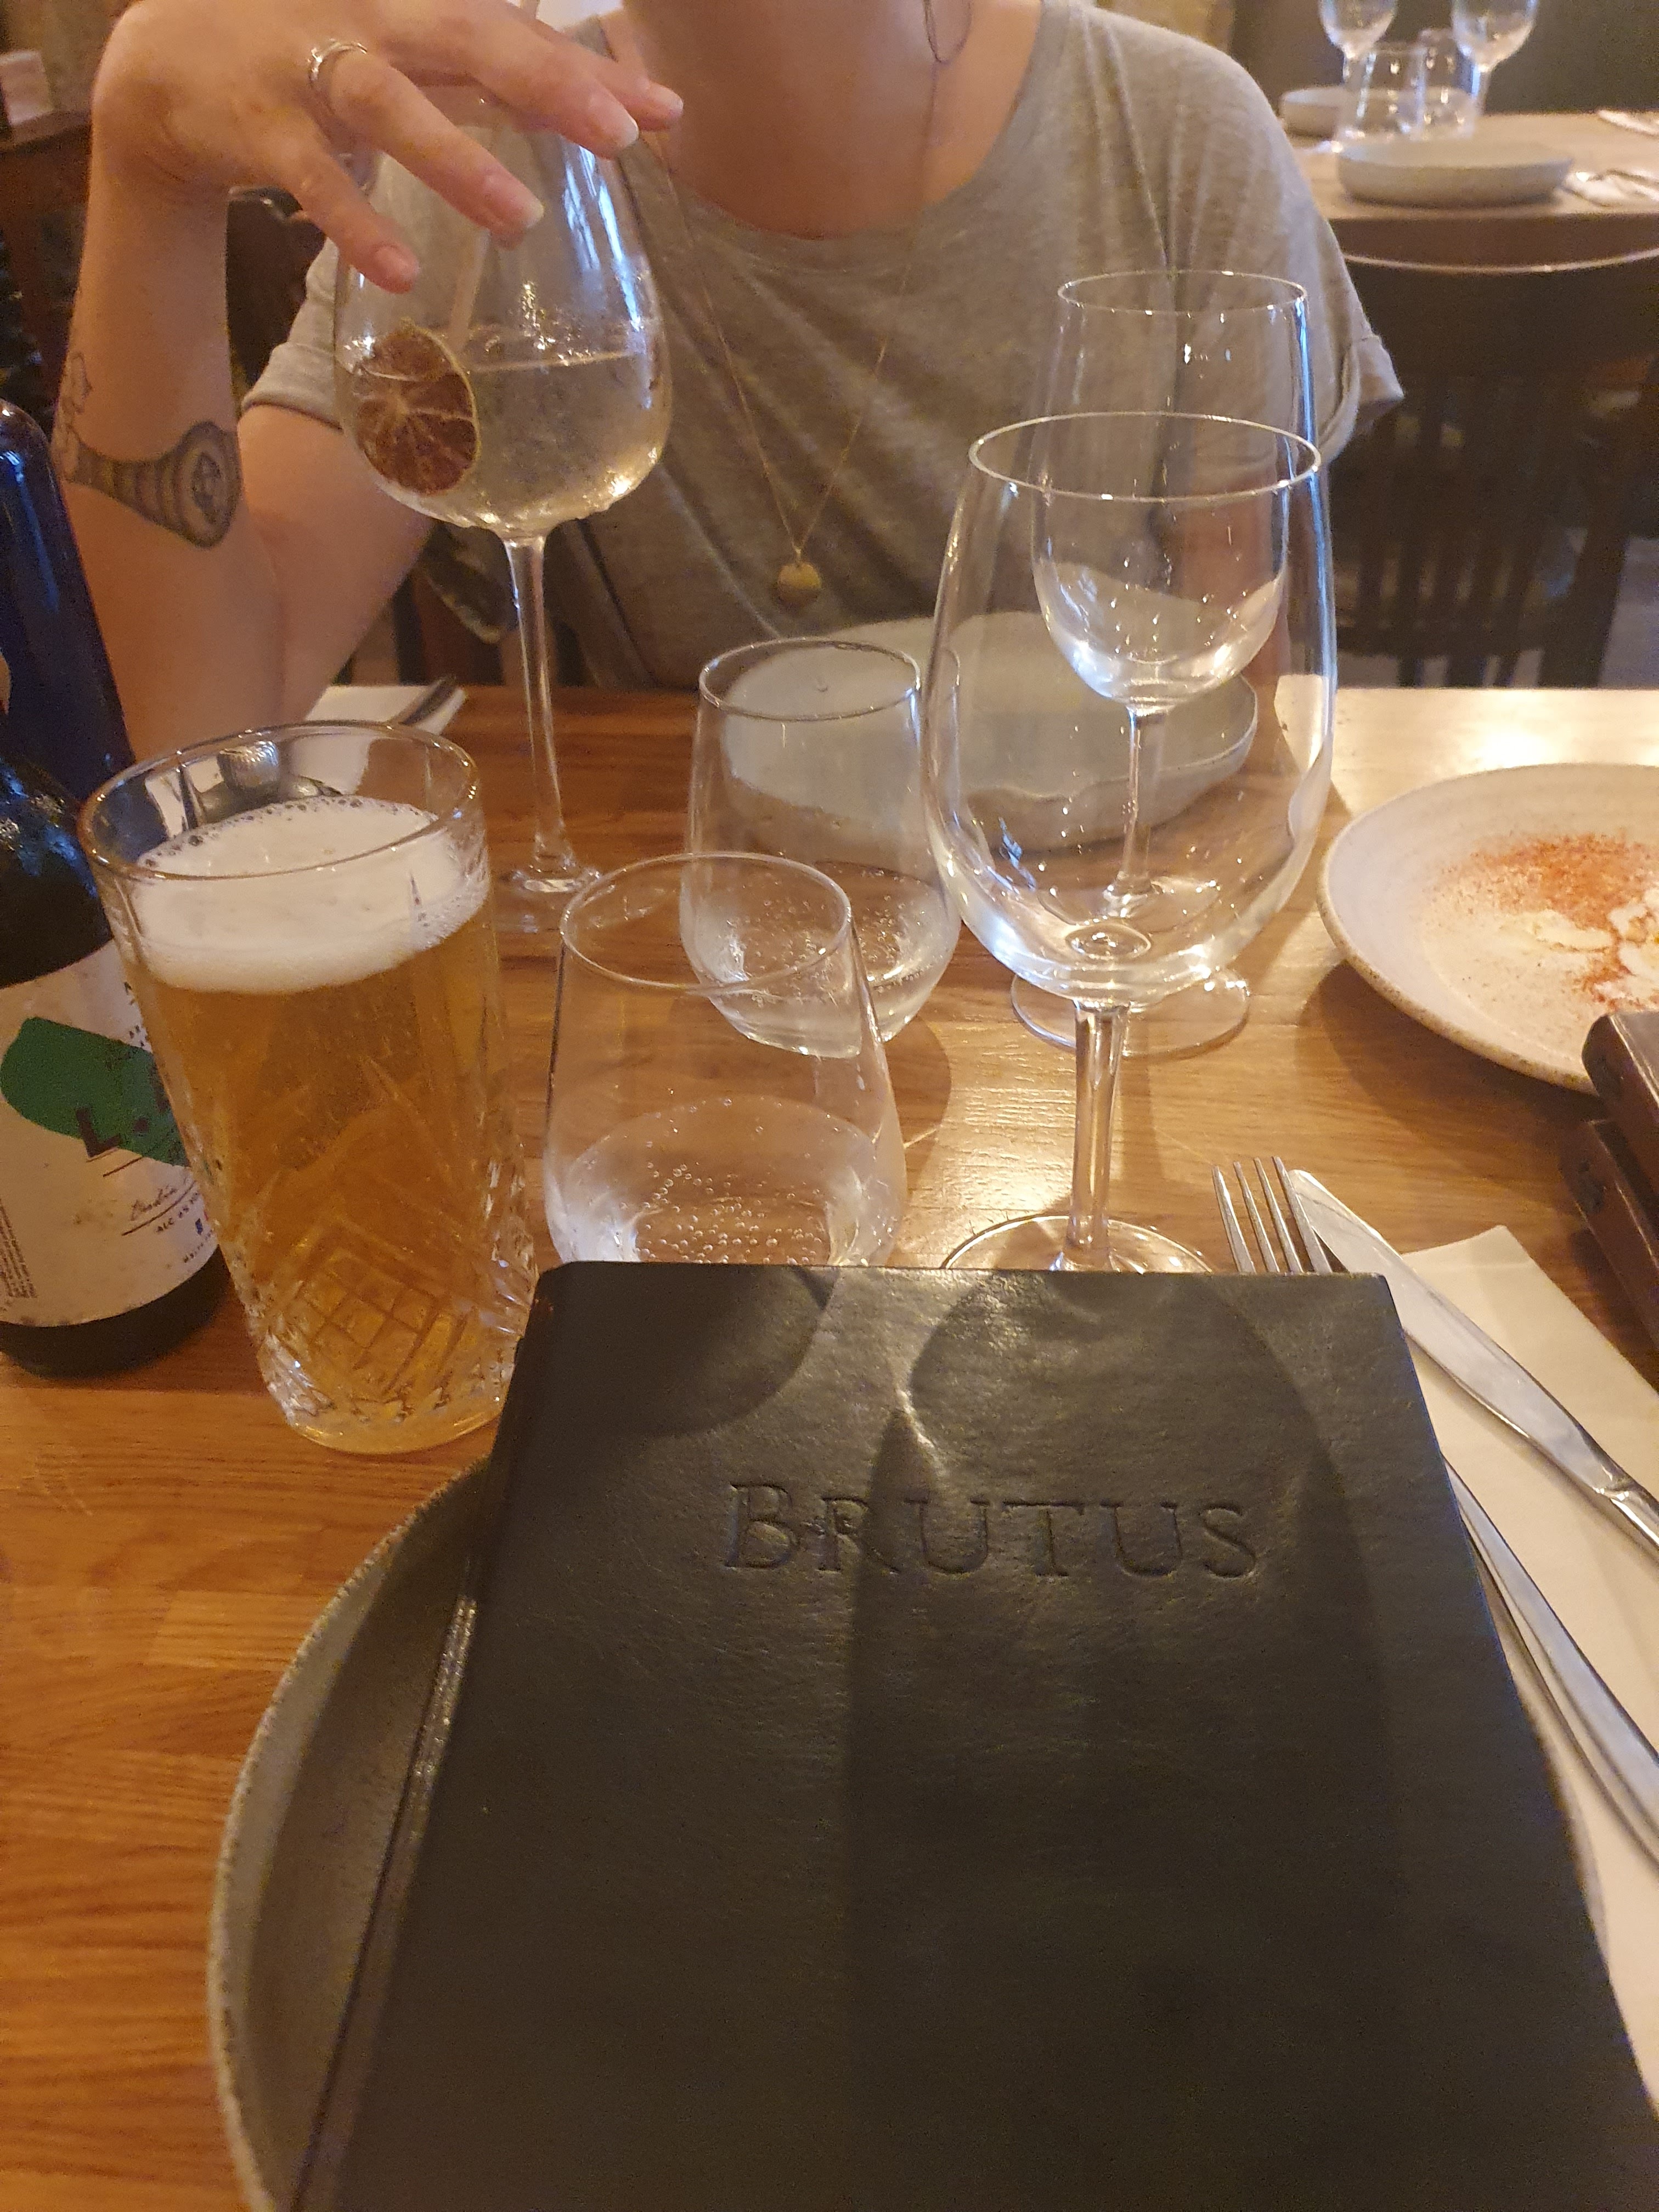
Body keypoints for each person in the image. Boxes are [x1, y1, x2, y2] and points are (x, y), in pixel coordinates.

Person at [61, 0, 1396, 747]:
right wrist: (146, 166)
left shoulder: (1173, 135)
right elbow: (191, 731)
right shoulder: (484, 162)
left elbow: (1225, 714)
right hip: (698, 978)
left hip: (1066, 949)